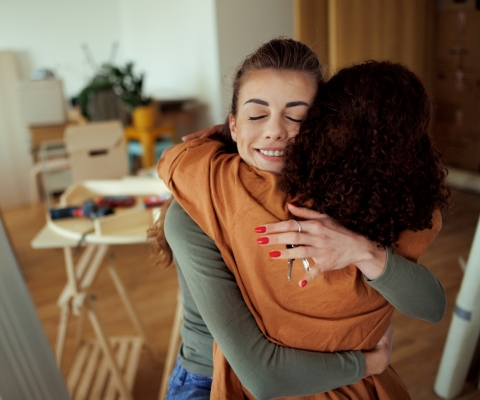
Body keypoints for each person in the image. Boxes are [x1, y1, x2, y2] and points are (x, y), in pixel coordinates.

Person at [157, 38, 450, 398]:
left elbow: (433, 305)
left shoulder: (337, 195)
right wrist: (369, 363)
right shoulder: (192, 212)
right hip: (208, 378)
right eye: (256, 114)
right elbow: (262, 375)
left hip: (322, 376)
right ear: (233, 125)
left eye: (296, 116)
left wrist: (364, 253)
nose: (275, 130)